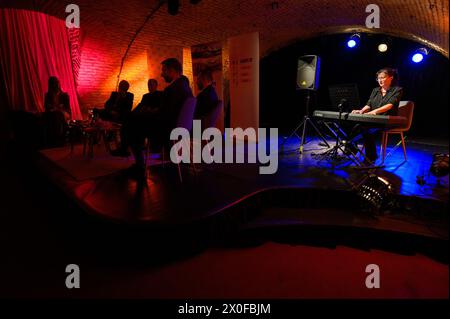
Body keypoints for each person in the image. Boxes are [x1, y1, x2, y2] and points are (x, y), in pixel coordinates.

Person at [112, 58, 193, 179]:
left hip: (166, 129)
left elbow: (164, 114)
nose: (161, 74)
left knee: (132, 122)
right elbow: (168, 110)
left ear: (172, 70)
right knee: (134, 120)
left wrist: (146, 113)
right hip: (178, 127)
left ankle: (137, 163)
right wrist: (152, 112)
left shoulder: (172, 89)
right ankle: (126, 149)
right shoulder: (186, 87)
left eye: (164, 70)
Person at [350, 67, 403, 163]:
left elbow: (390, 105)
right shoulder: (375, 90)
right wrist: (361, 111)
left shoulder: (397, 90)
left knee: (365, 129)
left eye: (382, 77)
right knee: (356, 125)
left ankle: (371, 157)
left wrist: (374, 112)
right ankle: (351, 148)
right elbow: (369, 104)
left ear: (391, 77)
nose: (380, 80)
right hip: (374, 119)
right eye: (378, 78)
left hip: (388, 120)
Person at [44, 76, 71, 146]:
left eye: (57, 83)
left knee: (58, 115)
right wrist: (54, 108)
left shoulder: (65, 95)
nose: (56, 85)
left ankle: (59, 138)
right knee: (53, 115)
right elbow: (47, 107)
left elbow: (68, 109)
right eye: (54, 84)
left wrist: (59, 108)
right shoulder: (48, 95)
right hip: (53, 113)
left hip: (64, 112)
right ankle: (54, 138)